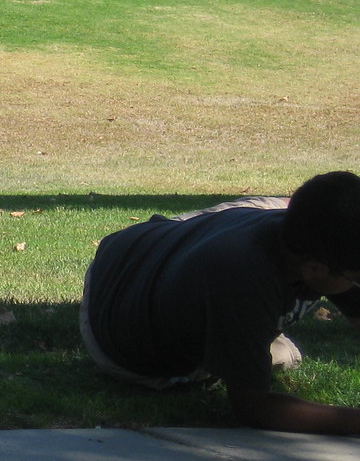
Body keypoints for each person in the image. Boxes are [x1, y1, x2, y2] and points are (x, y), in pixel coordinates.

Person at [81, 172, 360, 435]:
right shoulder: (243, 280)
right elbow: (254, 408)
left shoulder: (302, 237)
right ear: (314, 269)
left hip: (150, 243)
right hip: (115, 321)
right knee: (283, 356)